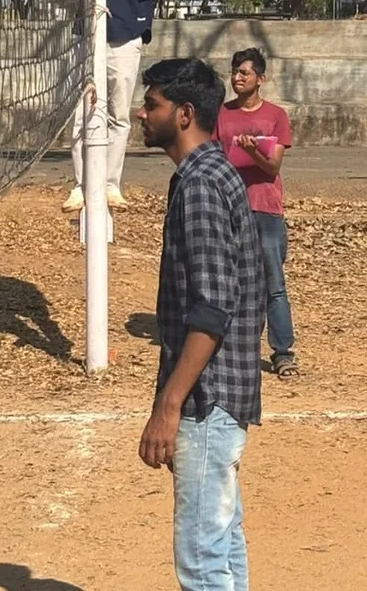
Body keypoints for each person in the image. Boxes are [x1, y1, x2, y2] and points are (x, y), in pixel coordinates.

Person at [137, 57, 264, 591]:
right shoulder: (206, 173)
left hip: (208, 399)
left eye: (152, 105)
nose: (142, 115)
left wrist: (168, 408)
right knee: (221, 539)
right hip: (215, 394)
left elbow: (212, 311)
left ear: (184, 114)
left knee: (201, 556)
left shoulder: (201, 186)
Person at [63, 0, 159, 213]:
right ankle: (80, 185)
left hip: (126, 31)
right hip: (87, 33)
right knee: (81, 111)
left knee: (119, 113)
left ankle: (110, 184)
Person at [215, 47, 298, 379]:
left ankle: (283, 352)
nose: (237, 77)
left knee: (272, 284)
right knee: (230, 282)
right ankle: (234, 348)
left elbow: (273, 165)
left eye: (244, 73)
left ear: (260, 79)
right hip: (229, 208)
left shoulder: (276, 116)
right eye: (234, 71)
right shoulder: (220, 116)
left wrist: (252, 150)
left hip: (264, 208)